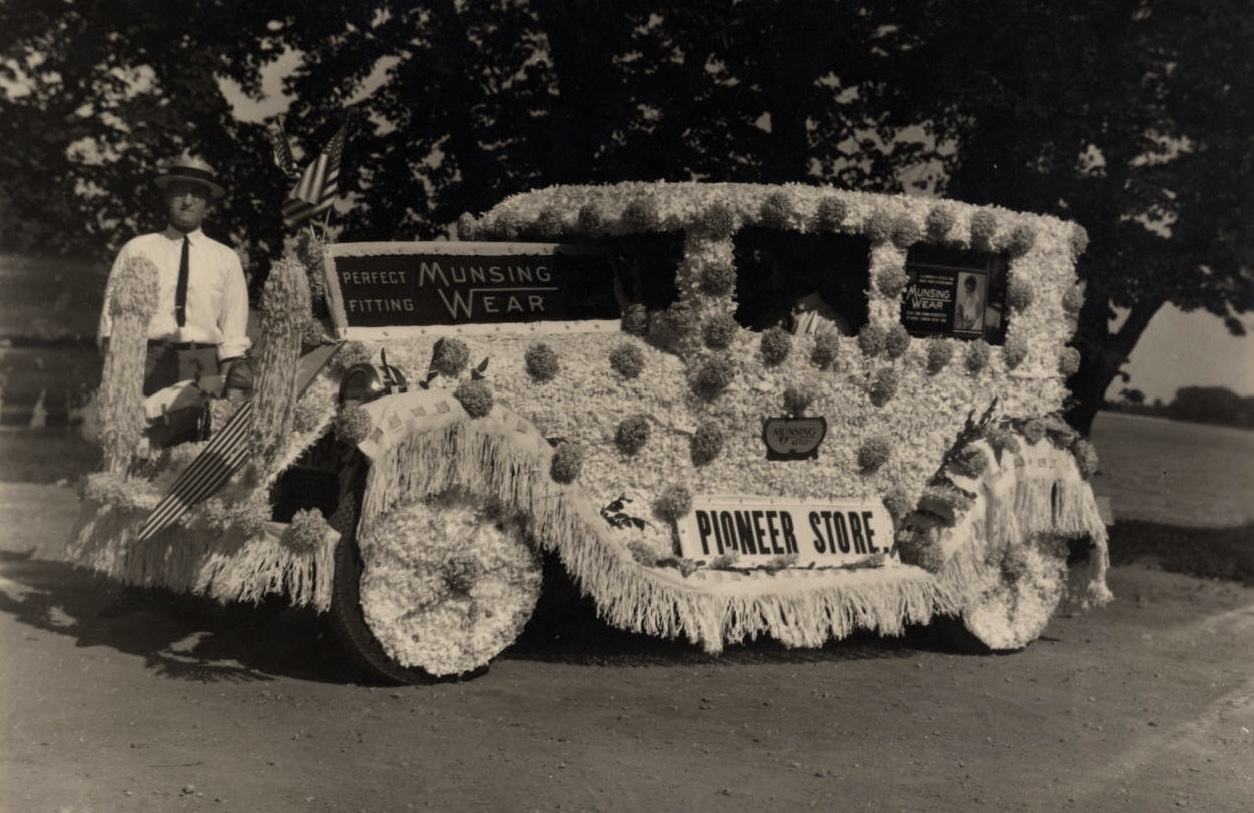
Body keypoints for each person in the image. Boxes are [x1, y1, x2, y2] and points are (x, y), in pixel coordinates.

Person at [98, 155, 251, 397]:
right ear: (167, 196)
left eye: (197, 194)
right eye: (180, 192)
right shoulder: (137, 250)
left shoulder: (226, 258)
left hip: (204, 362)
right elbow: (110, 319)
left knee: (201, 433)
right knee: (144, 431)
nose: (187, 201)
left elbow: (234, 329)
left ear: (208, 203)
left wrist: (229, 382)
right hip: (145, 361)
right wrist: (117, 376)